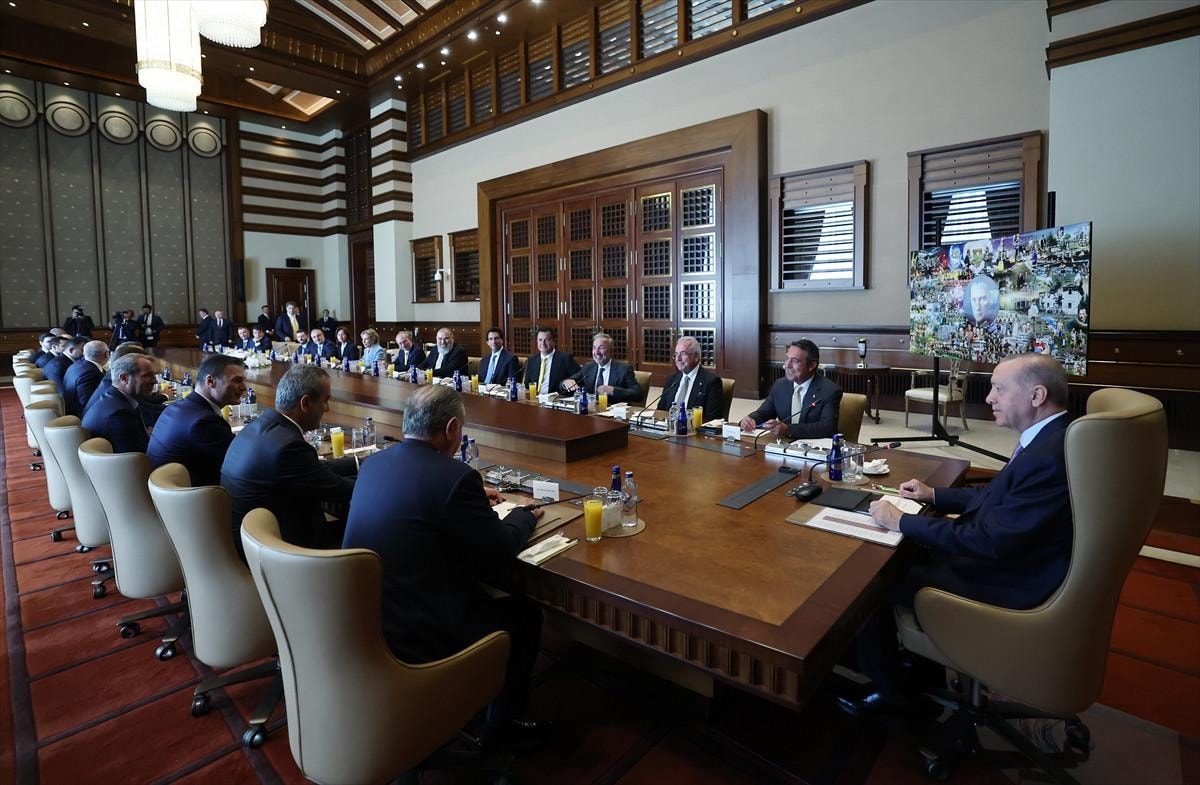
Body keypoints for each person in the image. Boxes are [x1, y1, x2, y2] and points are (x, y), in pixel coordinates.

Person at [839, 354, 1073, 717]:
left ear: (1036, 395)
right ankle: (920, 667)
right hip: (1014, 561)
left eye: (999, 389)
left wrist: (901, 521)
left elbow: (988, 540)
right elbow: (998, 497)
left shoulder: (1048, 456)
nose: (989, 398)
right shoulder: (1051, 437)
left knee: (871, 581)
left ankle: (893, 693)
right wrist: (934, 495)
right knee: (908, 553)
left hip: (1006, 583)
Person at [342, 384, 546, 749]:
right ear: (452, 428)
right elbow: (501, 548)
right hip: (421, 628)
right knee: (526, 614)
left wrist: (468, 499)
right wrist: (522, 515)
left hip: (367, 618)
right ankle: (502, 728)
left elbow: (419, 498)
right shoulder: (455, 477)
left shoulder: (374, 464)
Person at [221, 365, 356, 557]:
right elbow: (341, 491)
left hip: (249, 541)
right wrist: (380, 478)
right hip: (278, 553)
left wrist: (357, 463)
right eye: (325, 401)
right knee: (371, 532)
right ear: (305, 403)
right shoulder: (289, 446)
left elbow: (312, 471)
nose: (327, 408)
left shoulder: (259, 427)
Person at [148, 355, 247, 487]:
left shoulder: (176, 407)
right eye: (237, 381)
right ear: (210, 381)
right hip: (194, 496)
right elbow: (242, 462)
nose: (244, 387)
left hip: (164, 494)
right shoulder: (205, 422)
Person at [740, 339, 841, 440]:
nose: (787, 365)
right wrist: (750, 420)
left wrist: (788, 430)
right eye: (786, 359)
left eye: (795, 361)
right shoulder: (780, 385)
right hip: (784, 445)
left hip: (815, 446)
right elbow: (763, 414)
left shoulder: (829, 390)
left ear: (811, 365)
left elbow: (827, 428)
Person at [81, 352, 158, 454]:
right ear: (124, 379)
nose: (155, 381)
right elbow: (137, 458)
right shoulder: (120, 414)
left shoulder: (113, 398)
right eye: (147, 375)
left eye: (154, 375)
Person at [658, 336, 725, 421]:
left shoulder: (711, 382)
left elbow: (713, 419)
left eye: (683, 354)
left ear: (696, 356)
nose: (678, 359)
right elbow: (660, 411)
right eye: (676, 354)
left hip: (694, 428)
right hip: (669, 427)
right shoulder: (671, 379)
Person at [562, 332, 640, 403]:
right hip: (590, 410)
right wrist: (565, 382)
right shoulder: (588, 367)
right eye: (594, 348)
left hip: (612, 411)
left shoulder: (624, 369)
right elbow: (567, 383)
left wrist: (613, 391)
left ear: (611, 351)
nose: (596, 352)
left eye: (601, 348)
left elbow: (637, 394)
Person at [522, 327, 578, 393]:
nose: (543, 343)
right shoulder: (532, 360)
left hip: (556, 397)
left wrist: (566, 381)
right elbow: (527, 385)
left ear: (554, 341)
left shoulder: (565, 358)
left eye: (546, 340)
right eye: (540, 340)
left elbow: (579, 376)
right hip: (535, 398)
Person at [63, 339, 108, 417]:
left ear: (84, 353)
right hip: (82, 415)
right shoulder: (90, 372)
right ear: (107, 354)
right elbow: (87, 401)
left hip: (72, 410)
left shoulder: (77, 364)